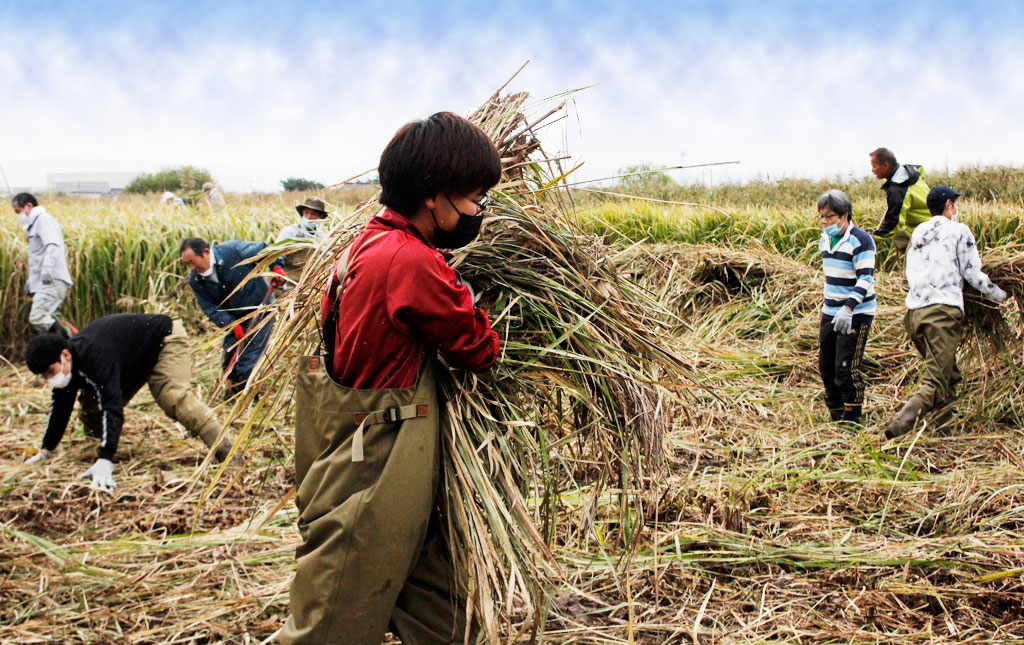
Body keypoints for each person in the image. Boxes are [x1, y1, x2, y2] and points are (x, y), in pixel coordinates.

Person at [278, 112, 501, 644]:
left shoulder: (365, 244)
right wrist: (469, 298)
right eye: (473, 199)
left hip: (365, 451)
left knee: (439, 618)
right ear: (433, 195)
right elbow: (480, 351)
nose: (479, 212)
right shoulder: (411, 262)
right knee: (329, 628)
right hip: (376, 469)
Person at [22, 314, 236, 491]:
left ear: (65, 355)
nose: (50, 379)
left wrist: (106, 458)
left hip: (163, 340)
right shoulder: (68, 368)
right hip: (130, 362)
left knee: (173, 398)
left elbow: (112, 405)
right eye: (44, 376)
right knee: (91, 408)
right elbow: (60, 409)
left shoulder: (94, 356)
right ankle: (94, 448)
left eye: (50, 372)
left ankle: (230, 455)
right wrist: (45, 451)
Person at [884, 186, 1008, 439]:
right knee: (936, 382)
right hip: (941, 315)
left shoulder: (919, 232)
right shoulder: (958, 231)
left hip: (914, 315)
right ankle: (899, 426)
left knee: (948, 375)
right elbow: (973, 274)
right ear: (949, 204)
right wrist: (1002, 296)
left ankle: (944, 432)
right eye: (955, 203)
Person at [180, 237, 285, 395]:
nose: (192, 267)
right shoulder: (196, 280)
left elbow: (267, 250)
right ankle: (233, 389)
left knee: (250, 355)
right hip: (234, 318)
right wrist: (232, 325)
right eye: (187, 264)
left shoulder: (233, 251)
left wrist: (276, 268)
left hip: (260, 308)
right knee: (231, 358)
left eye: (193, 262)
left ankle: (246, 396)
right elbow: (210, 308)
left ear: (206, 252)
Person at [816, 189, 876, 427]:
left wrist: (849, 307)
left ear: (844, 215)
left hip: (856, 313)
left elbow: (865, 279)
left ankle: (852, 419)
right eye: (821, 216)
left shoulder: (860, 240)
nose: (824, 221)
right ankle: (836, 414)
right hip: (830, 312)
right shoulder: (824, 239)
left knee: (846, 368)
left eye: (829, 216)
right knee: (826, 366)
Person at [11, 193, 75, 334]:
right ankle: (66, 346)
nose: (18, 216)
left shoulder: (43, 220)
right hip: (45, 281)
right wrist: (31, 281)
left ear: (28, 206)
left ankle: (73, 341)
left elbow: (52, 245)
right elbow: (37, 258)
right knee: (51, 317)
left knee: (38, 317)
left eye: (18, 211)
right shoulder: (33, 225)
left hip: (52, 278)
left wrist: (47, 268)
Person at [869, 147, 931, 251]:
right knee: (899, 237)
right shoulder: (911, 172)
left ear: (885, 166)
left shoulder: (898, 190)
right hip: (932, 219)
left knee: (911, 259)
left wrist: (873, 239)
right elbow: (921, 170)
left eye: (874, 166)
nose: (872, 170)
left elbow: (893, 223)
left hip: (925, 230)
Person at [275, 197, 330, 285]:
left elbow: (327, 259)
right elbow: (276, 255)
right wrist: (277, 270)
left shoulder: (322, 237)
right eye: (306, 213)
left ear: (319, 217)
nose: (308, 217)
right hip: (287, 284)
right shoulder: (290, 232)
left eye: (313, 214)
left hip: (309, 287)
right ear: (302, 213)